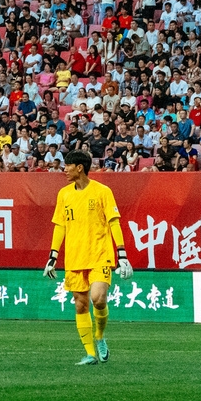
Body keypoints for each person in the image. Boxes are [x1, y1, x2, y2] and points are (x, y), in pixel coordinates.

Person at [42, 149, 132, 366]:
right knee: (80, 305)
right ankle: (90, 354)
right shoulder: (64, 194)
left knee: (98, 298)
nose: (64, 170)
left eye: (68, 166)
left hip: (100, 254)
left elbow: (114, 222)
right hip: (75, 257)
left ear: (79, 168)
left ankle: (100, 336)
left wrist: (122, 253)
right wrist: (53, 256)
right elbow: (60, 225)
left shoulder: (102, 191)